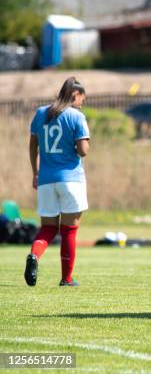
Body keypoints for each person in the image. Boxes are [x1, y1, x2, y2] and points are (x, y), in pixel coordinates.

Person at [25, 77, 90, 287]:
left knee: (48, 228)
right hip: (70, 180)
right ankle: (67, 279)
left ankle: (34, 256)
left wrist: (36, 173)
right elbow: (83, 151)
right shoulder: (76, 116)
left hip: (45, 179)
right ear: (75, 95)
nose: (82, 103)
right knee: (69, 230)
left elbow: (33, 148)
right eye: (82, 99)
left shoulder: (41, 113)